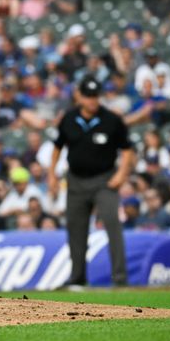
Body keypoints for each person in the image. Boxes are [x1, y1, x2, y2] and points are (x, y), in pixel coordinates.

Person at [48, 75, 134, 289]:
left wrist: (122, 174)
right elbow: (57, 147)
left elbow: (127, 149)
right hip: (75, 181)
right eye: (88, 96)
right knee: (76, 228)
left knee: (112, 224)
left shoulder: (112, 120)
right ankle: (77, 277)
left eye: (95, 96)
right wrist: (52, 175)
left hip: (104, 180)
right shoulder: (69, 118)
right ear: (80, 96)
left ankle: (120, 278)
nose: (92, 100)